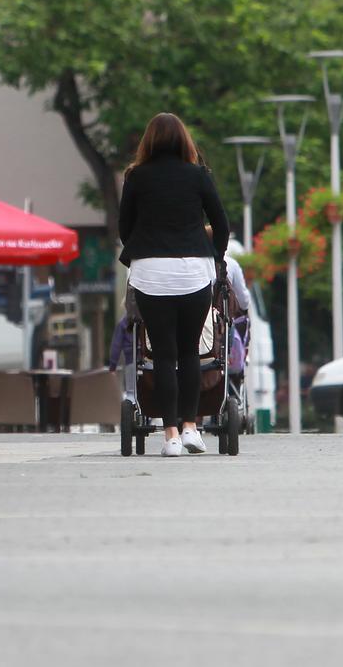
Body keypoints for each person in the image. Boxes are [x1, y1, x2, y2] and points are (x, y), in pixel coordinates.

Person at [118, 112, 229, 457]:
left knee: (163, 355)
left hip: (150, 272)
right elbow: (221, 223)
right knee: (190, 352)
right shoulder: (198, 175)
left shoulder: (136, 177)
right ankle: (192, 428)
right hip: (193, 270)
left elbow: (125, 227)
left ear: (148, 141)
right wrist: (215, 255)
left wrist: (144, 249)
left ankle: (170, 437)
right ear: (184, 140)